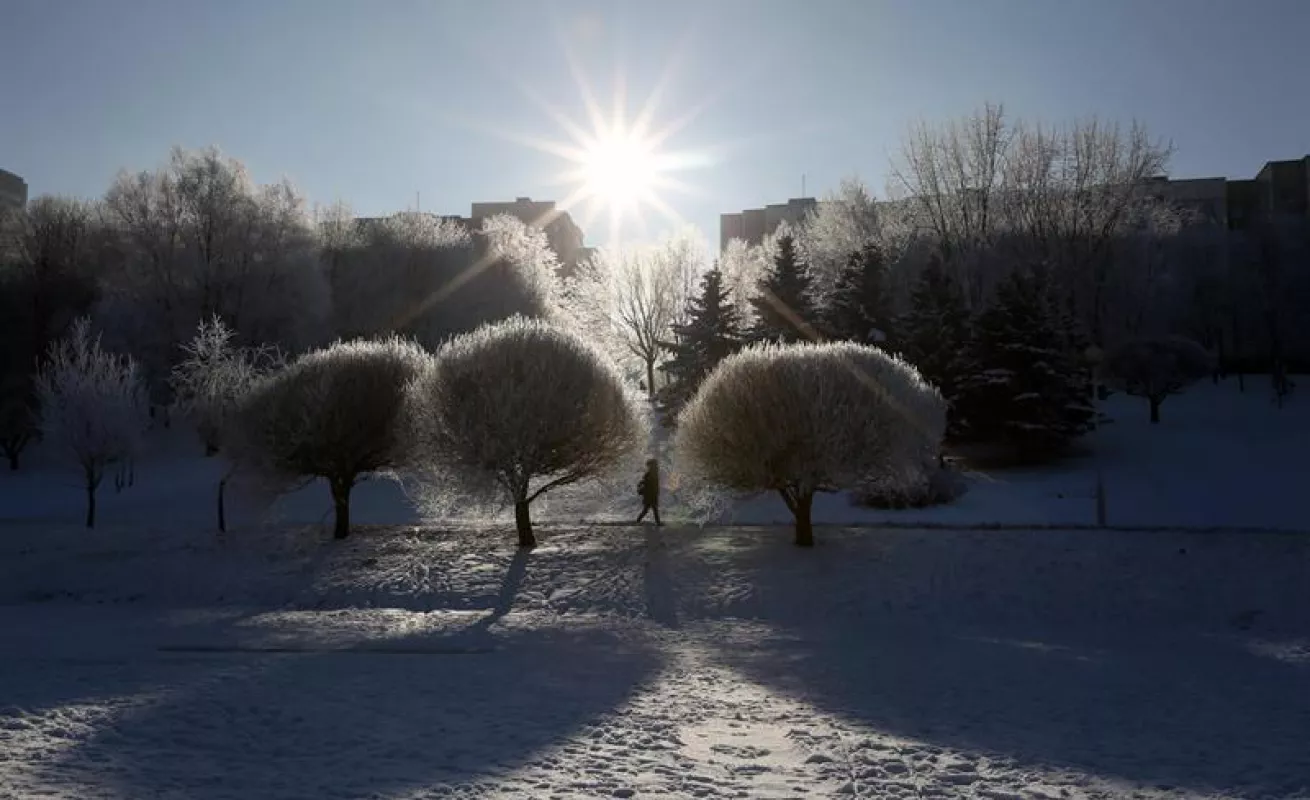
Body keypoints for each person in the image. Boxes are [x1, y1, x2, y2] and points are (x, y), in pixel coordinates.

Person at [635, 458, 661, 526]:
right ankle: (638, 520)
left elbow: (649, 483)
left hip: (651, 494)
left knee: (650, 509)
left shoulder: (652, 473)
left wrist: (641, 483)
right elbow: (647, 482)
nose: (649, 466)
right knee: (650, 509)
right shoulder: (652, 473)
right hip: (650, 494)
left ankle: (638, 520)